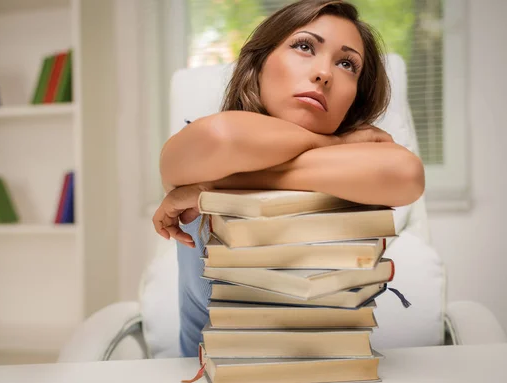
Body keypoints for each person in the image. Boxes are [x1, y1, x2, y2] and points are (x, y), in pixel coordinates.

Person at [152, 0, 425, 357]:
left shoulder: (209, 177)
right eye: (304, 46)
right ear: (260, 63)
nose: (323, 72)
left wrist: (213, 188)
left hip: (333, 377)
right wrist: (335, 142)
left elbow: (407, 175)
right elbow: (223, 138)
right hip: (214, 380)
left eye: (346, 64)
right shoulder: (202, 146)